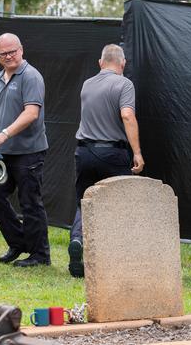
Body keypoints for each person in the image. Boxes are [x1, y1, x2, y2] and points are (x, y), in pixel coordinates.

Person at [0, 33, 50, 267]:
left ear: (21, 49)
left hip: (29, 152)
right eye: (3, 53)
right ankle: (18, 243)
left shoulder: (31, 76)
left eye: (12, 51)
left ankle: (40, 256)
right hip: (3, 153)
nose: (8, 56)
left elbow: (31, 113)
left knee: (30, 202)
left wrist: (4, 133)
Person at [68, 44, 145, 278]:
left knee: (85, 202)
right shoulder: (124, 84)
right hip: (113, 154)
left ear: (100, 63)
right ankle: (116, 260)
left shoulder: (87, 84)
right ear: (123, 64)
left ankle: (77, 240)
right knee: (119, 205)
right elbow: (127, 115)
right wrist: (137, 152)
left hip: (84, 152)